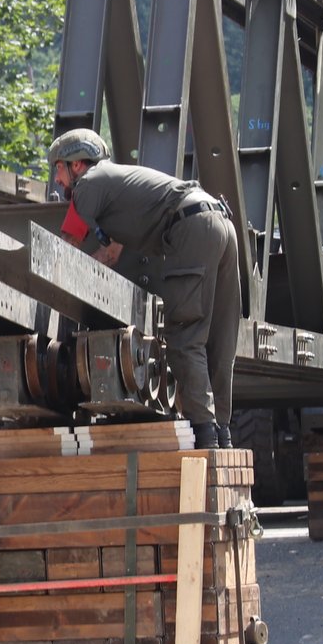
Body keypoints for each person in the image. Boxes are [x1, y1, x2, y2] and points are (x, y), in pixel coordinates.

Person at [48, 129, 241, 448]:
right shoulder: (120, 189)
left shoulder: (89, 186)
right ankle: (222, 433)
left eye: (58, 168)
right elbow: (109, 255)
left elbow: (64, 250)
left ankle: (205, 437)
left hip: (191, 229)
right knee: (220, 339)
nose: (57, 179)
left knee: (185, 336)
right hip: (219, 221)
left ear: (77, 165)